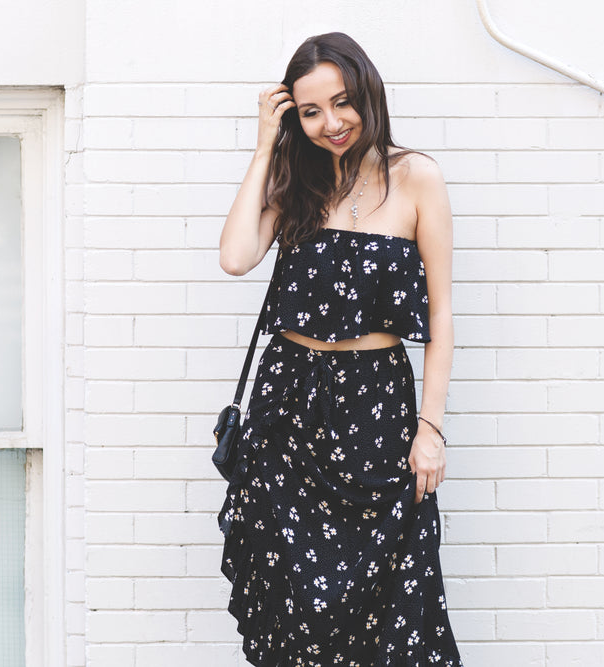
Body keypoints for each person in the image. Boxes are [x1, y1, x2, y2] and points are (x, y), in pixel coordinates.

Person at [217, 32, 462, 667]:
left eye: (343, 102)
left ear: (368, 93)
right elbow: (236, 256)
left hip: (376, 411)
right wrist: (264, 148)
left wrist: (429, 427)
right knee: (295, 610)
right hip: (289, 409)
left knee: (391, 605)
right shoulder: (293, 179)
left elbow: (441, 315)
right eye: (309, 111)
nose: (331, 123)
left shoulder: (416, 179)